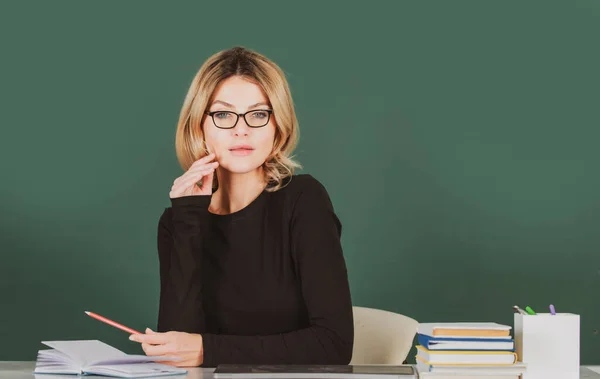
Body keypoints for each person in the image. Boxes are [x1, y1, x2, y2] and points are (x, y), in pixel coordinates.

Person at [129, 46, 354, 367]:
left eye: (258, 114)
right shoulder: (178, 220)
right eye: (222, 114)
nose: (241, 129)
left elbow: (334, 344)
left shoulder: (304, 199)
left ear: (278, 127)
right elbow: (178, 349)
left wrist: (208, 351)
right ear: (199, 127)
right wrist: (188, 218)